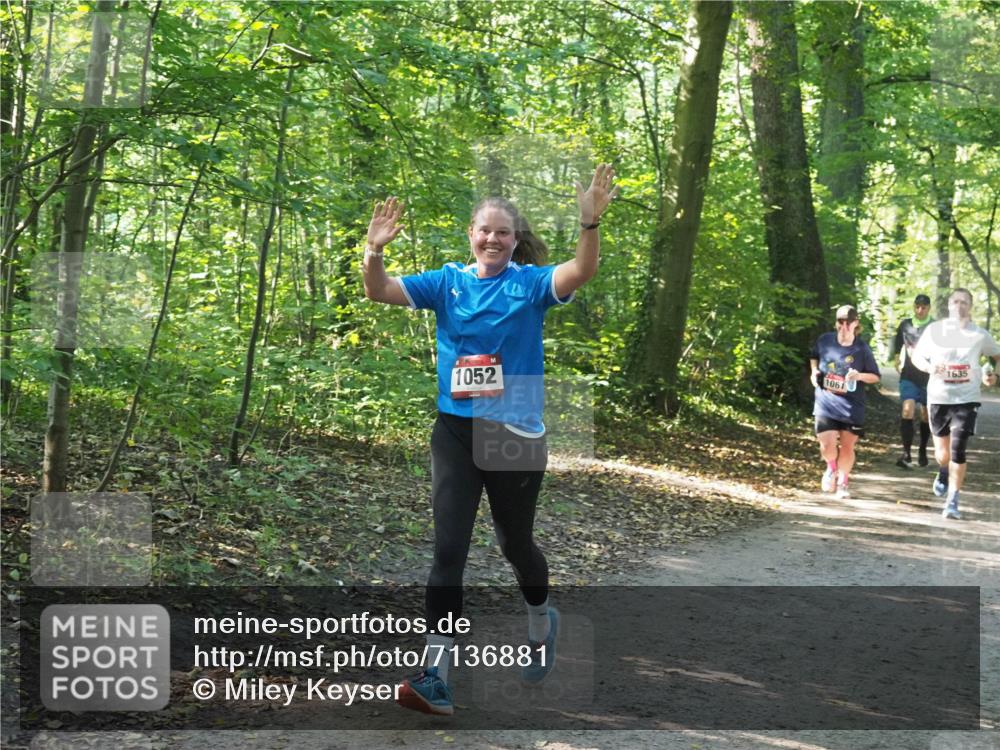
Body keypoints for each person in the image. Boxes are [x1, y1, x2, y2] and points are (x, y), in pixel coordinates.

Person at [361, 165, 618, 715]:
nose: (493, 239)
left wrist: (589, 223)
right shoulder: (447, 282)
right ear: (471, 234)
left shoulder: (528, 284)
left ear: (514, 239)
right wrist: (374, 249)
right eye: (485, 230)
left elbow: (581, 271)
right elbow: (378, 291)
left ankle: (539, 617)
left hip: (514, 432)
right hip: (454, 427)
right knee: (447, 550)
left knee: (513, 545)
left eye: (504, 232)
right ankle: (436, 674)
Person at [911, 288, 1000, 520]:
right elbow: (917, 357)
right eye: (956, 301)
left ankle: (953, 500)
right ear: (949, 305)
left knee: (958, 449)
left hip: (966, 398)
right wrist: (930, 368)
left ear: (970, 307)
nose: (959, 305)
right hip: (939, 397)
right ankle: (943, 471)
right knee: (943, 454)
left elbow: (997, 356)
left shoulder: (979, 335)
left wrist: (995, 376)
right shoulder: (934, 331)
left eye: (964, 302)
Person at [809, 305, 881, 499]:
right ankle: (831, 468)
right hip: (825, 402)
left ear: (856, 323)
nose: (844, 326)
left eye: (848, 322)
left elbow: (875, 377)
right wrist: (814, 371)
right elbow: (814, 356)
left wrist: (859, 376)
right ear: (836, 322)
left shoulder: (861, 348)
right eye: (840, 322)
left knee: (847, 447)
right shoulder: (825, 340)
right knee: (826, 444)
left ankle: (843, 482)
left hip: (851, 406)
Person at [890, 294, 934, 468]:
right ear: (914, 307)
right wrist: (896, 359)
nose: (920, 310)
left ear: (929, 308)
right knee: (907, 410)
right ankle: (906, 453)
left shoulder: (934, 327)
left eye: (923, 307)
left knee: (925, 414)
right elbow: (898, 342)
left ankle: (922, 449)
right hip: (908, 375)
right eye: (917, 306)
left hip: (929, 377)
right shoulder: (906, 324)